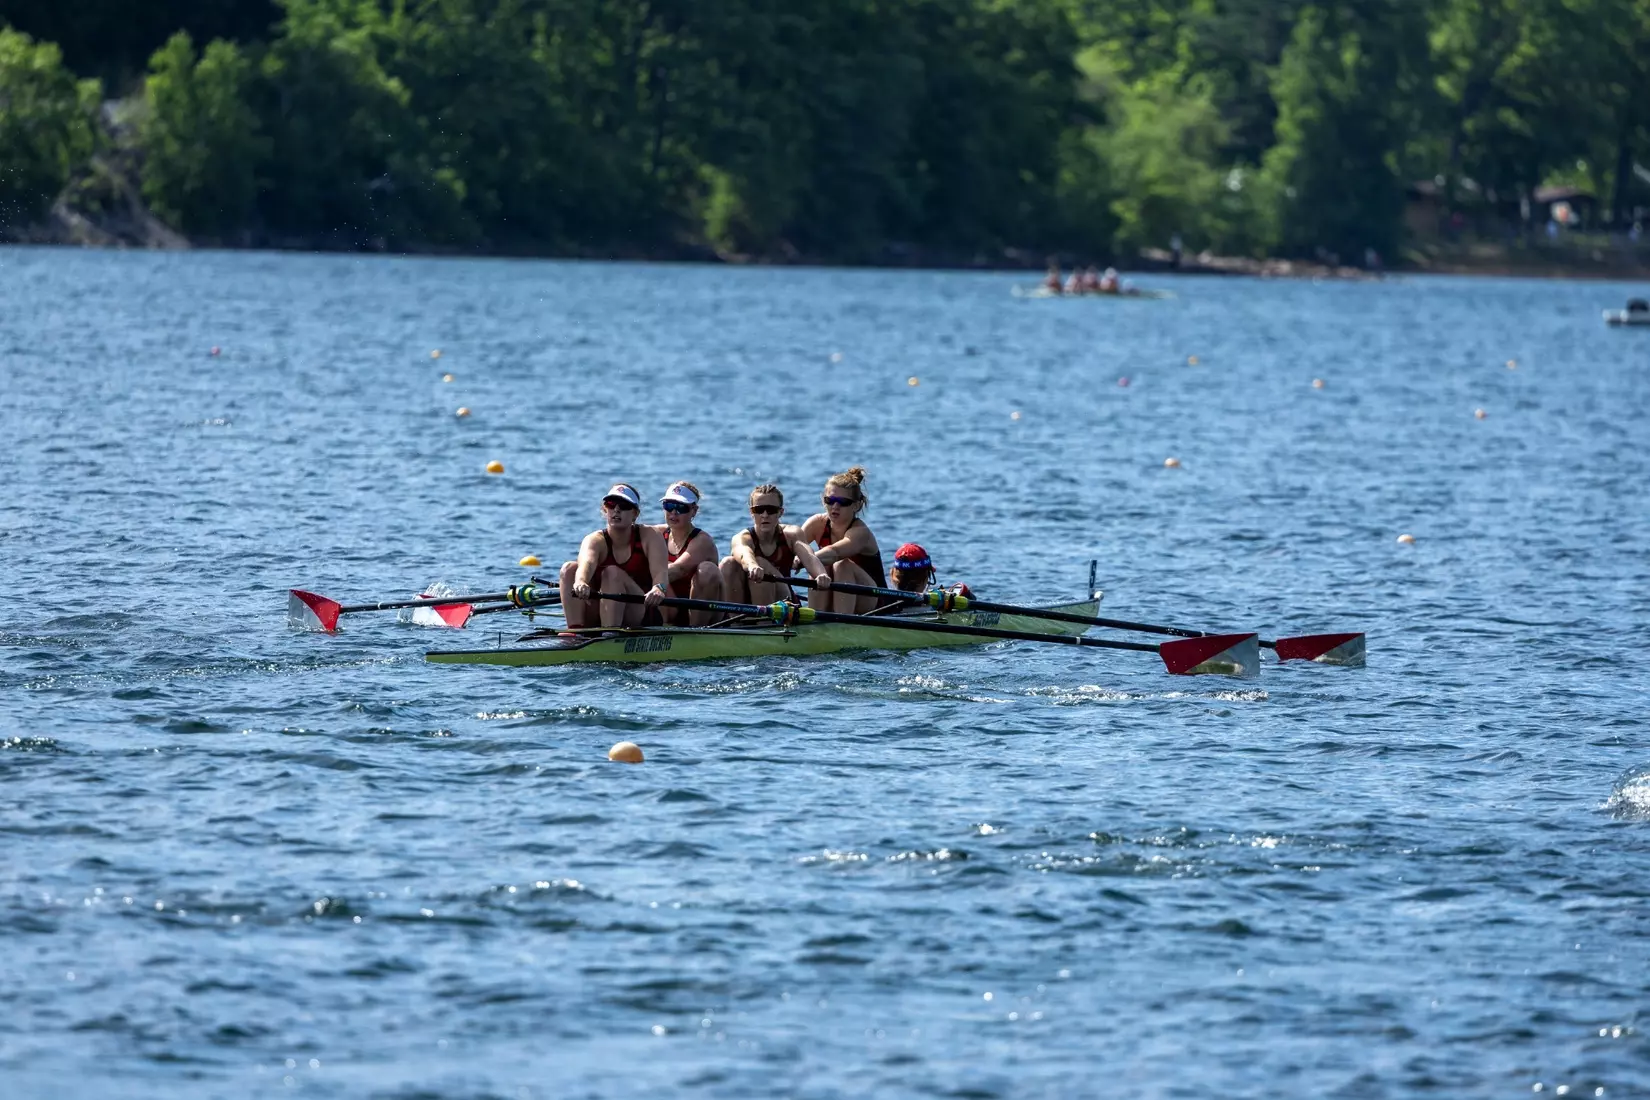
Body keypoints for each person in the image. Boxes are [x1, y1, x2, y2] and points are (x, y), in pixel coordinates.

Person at [558, 483, 669, 629]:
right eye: (611, 504)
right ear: (605, 509)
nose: (616, 509)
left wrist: (658, 588)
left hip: (639, 610)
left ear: (635, 514)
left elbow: (661, 572)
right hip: (599, 608)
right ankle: (574, 630)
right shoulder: (594, 540)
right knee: (569, 569)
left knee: (612, 573)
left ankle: (610, 633)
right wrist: (581, 582)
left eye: (624, 505)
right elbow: (587, 564)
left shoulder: (650, 535)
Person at [719, 484, 833, 606]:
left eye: (771, 510)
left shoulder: (791, 534)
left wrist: (821, 574)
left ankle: (764, 622)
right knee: (728, 564)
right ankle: (734, 619)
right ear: (751, 512)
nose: (765, 515)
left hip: (783, 600)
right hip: (747, 601)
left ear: (780, 512)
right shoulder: (742, 538)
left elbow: (809, 557)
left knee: (761, 563)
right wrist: (752, 566)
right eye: (758, 510)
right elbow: (743, 554)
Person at [798, 466, 886, 614]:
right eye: (830, 500)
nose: (835, 506)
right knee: (820, 567)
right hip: (840, 594)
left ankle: (841, 621)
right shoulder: (817, 524)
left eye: (843, 502)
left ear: (856, 505)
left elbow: (834, 552)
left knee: (840, 564)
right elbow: (790, 544)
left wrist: (802, 558)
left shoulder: (860, 532)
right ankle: (816, 620)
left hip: (876, 603)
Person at [648, 481, 721, 627]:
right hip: (669, 610)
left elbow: (679, 569)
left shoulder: (702, 541)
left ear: (694, 510)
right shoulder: (655, 534)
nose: (674, 512)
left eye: (681, 507)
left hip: (704, 615)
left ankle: (696, 632)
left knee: (706, 569)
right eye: (669, 506)